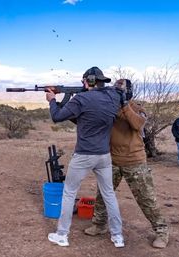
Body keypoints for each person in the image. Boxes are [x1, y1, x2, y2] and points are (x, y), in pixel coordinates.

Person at [84, 79, 169, 249]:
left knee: (146, 198)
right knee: (102, 195)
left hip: (134, 162)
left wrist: (124, 103)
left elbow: (137, 124)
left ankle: (162, 231)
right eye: (115, 88)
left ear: (128, 91)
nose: (116, 91)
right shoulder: (108, 107)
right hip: (112, 160)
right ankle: (99, 225)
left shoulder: (136, 107)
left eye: (121, 89)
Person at [46, 67, 125, 248]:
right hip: (104, 155)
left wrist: (52, 100)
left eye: (84, 81)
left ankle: (62, 234)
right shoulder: (114, 97)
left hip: (83, 155)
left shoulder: (82, 99)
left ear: (88, 81)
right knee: (109, 195)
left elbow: (57, 116)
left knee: (69, 193)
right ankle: (117, 236)